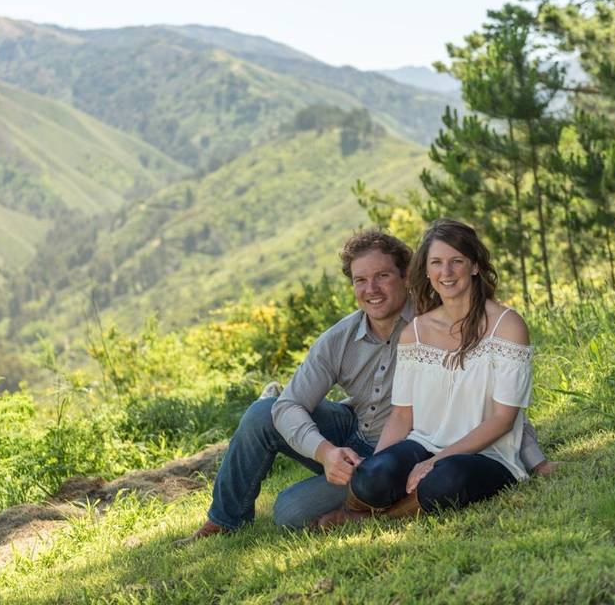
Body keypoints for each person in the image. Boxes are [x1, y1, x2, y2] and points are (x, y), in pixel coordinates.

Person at [177, 228, 551, 544]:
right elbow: (287, 406)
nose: (371, 289)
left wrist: (533, 460)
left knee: (289, 514)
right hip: (362, 436)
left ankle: (373, 501)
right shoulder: (339, 339)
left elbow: (495, 406)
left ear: (406, 275)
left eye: (382, 276)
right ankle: (224, 520)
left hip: (412, 445)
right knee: (264, 412)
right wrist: (325, 452)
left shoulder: (436, 320)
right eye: (360, 280)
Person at [316, 219, 536, 528]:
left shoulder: (507, 327)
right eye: (436, 263)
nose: (446, 272)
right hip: (422, 442)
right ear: (427, 271)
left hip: (488, 456)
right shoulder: (415, 332)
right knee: (373, 476)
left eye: (456, 261)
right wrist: (374, 464)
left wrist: (436, 461)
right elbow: (403, 416)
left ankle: (363, 519)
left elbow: (503, 419)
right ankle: (363, 506)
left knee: (444, 481)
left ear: (474, 266)